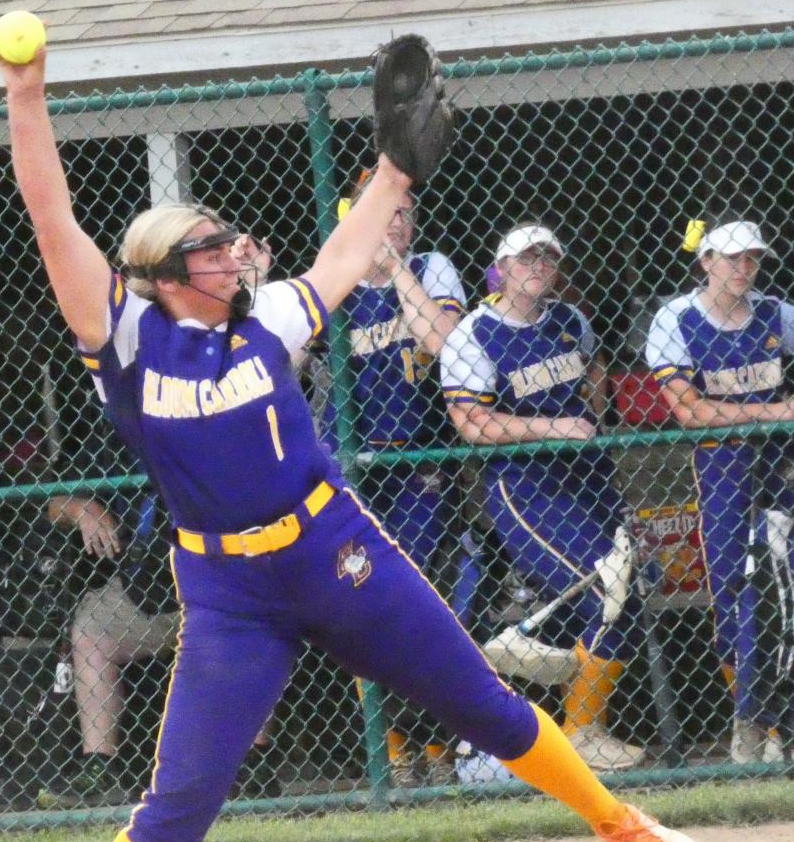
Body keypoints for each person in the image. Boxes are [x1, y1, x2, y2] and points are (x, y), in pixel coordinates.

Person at [0, 47, 705, 842]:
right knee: (176, 803)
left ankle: (621, 823)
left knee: (478, 702)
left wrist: (394, 172)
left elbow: (347, 256)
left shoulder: (268, 317)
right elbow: (49, 212)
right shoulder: (127, 341)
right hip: (230, 599)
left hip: (336, 552)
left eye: (230, 242)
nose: (235, 255)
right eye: (212, 249)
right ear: (161, 276)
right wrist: (25, 93)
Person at [438, 224, 646, 771]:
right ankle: (578, 729)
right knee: (605, 580)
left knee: (628, 588)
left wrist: (589, 413)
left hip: (589, 476)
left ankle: (555, 696)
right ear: (502, 268)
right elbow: (473, 425)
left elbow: (593, 372)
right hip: (526, 485)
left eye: (548, 258)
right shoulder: (474, 334)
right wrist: (554, 426)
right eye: (526, 258)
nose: (538, 266)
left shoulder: (569, 321)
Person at [320, 173, 467, 787]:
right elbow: (292, 356)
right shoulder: (337, 275)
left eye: (405, 215)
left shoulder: (431, 267)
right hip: (356, 469)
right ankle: (392, 750)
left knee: (426, 604)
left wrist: (396, 269)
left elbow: (445, 343)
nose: (397, 224)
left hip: (421, 462)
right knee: (362, 607)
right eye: (386, 214)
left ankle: (436, 752)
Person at [645, 216, 794, 763]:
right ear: (705, 261)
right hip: (722, 467)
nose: (743, 268)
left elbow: (712, 409)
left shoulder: (777, 313)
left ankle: (765, 725)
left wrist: (747, 418)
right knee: (733, 586)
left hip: (780, 465)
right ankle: (750, 720)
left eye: (752, 258)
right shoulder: (676, 319)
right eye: (731, 258)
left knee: (782, 583)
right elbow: (689, 412)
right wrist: (777, 412)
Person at [38, 455, 179, 807]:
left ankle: (253, 764)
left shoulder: (210, 419)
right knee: (90, 631)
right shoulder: (117, 435)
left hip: (218, 581)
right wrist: (82, 508)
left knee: (251, 623)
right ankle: (98, 764)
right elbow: (49, 504)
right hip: (148, 590)